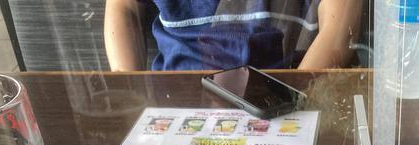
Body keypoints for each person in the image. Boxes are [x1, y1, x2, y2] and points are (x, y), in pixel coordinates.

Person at [104, 0, 362, 71]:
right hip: (178, 91)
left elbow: (339, 28)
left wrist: (297, 98)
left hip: (290, 87)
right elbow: (123, 8)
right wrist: (127, 87)